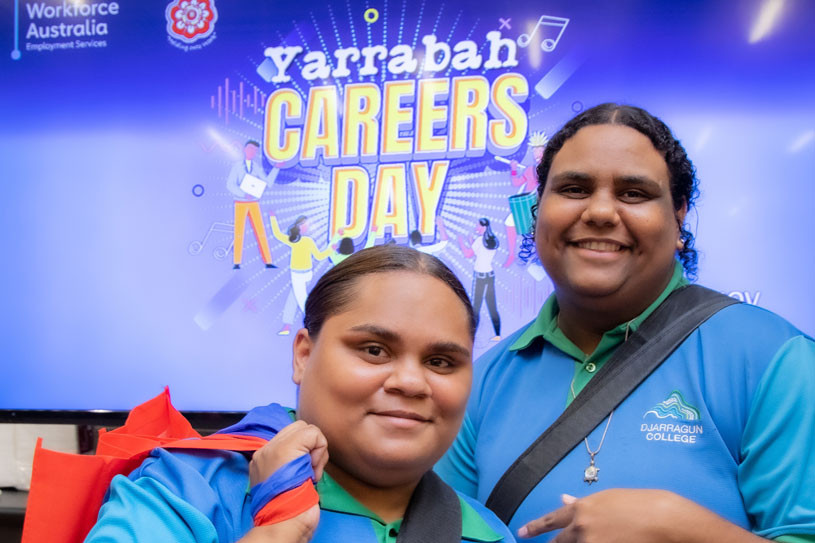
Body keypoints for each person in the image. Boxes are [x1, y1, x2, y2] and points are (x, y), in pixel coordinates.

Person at [436, 103, 815, 542]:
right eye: (574, 189)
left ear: (679, 219)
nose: (599, 212)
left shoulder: (774, 360)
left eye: (633, 193)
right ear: (538, 212)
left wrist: (675, 527)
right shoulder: (483, 380)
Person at [84, 245, 516, 543]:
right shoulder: (187, 489)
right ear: (303, 355)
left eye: (441, 362)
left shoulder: (485, 532)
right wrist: (275, 530)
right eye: (373, 350)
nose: (410, 381)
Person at [269, 213, 332, 336]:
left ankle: (314, 325)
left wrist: (331, 249)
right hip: (297, 274)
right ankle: (288, 325)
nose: (306, 227)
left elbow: (319, 256)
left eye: (307, 225)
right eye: (304, 225)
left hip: (305, 275)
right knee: (294, 299)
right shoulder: (294, 240)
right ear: (298, 226)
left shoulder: (308, 241)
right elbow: (277, 234)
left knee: (302, 300)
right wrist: (272, 218)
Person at [226, 140, 279, 269]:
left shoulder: (256, 167)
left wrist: (276, 168)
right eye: (250, 149)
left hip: (254, 203)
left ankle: (268, 261)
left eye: (255, 150)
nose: (252, 152)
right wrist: (243, 194)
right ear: (244, 150)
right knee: (239, 232)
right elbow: (230, 184)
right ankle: (237, 262)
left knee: (260, 231)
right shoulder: (237, 166)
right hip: (240, 203)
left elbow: (267, 183)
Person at [458, 218, 502, 341]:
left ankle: (470, 337)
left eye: (478, 226)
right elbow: (481, 253)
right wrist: (471, 242)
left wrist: (461, 242)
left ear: (484, 227)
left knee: (476, 307)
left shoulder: (479, 240)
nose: (476, 228)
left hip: (480, 276)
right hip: (489, 275)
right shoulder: (493, 240)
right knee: (491, 305)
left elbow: (468, 254)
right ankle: (498, 334)